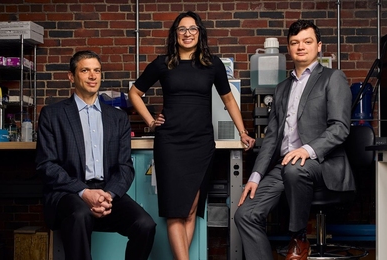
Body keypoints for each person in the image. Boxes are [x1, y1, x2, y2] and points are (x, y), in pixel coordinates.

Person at [128, 11, 255, 260]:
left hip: (201, 143)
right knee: (175, 211)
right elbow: (134, 93)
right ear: (175, 35)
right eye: (182, 29)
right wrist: (151, 122)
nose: (188, 34)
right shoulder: (162, 64)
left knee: (190, 210)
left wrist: (242, 131)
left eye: (193, 29)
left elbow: (228, 98)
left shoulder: (212, 64)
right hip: (170, 144)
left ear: (200, 33)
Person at [234, 19, 355, 260]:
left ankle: (298, 237)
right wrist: (255, 177)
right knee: (244, 214)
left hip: (322, 163)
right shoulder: (281, 88)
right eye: (295, 43)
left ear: (318, 46)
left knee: (293, 168)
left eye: (307, 42)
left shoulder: (333, 78)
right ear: (289, 49)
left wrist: (307, 149)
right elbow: (270, 138)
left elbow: (340, 128)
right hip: (284, 167)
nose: (301, 47)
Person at [36, 50, 156, 260]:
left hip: (107, 193)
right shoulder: (52, 114)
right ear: (71, 76)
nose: (93, 76)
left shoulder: (117, 118)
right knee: (80, 215)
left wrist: (108, 195)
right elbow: (47, 165)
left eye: (97, 71)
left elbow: (125, 167)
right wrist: (84, 192)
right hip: (69, 193)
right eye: (85, 70)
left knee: (145, 225)